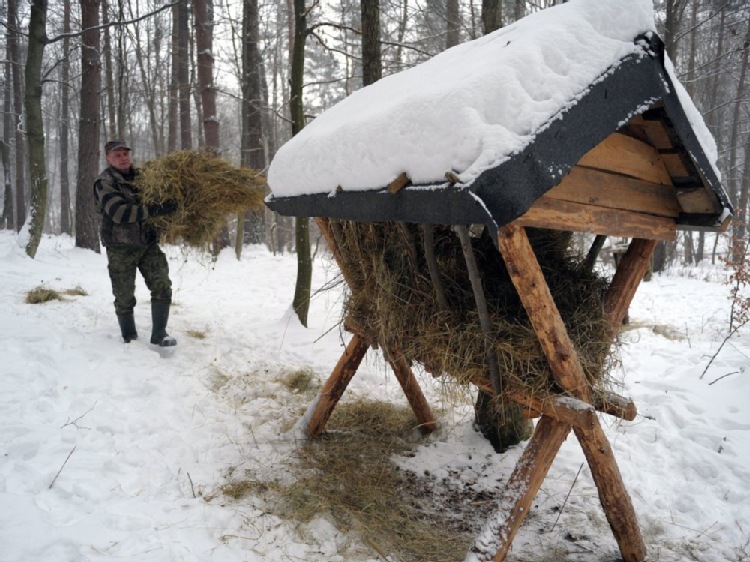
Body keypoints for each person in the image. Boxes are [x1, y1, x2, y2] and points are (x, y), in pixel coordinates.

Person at [94, 140, 178, 347]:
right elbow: (118, 212)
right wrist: (153, 210)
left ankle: (159, 333)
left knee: (162, 285)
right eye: (117, 155)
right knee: (123, 295)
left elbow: (161, 194)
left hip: (148, 243)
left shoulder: (143, 177)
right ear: (108, 159)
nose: (123, 158)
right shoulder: (104, 182)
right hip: (120, 246)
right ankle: (129, 336)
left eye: (125, 154)